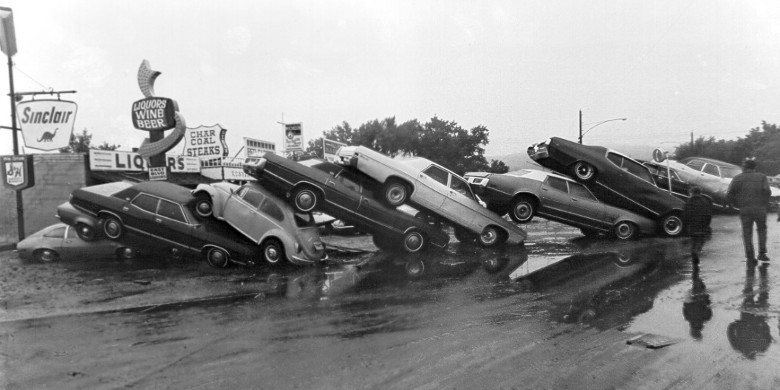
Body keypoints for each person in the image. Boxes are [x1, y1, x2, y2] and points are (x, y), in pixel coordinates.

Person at [726, 159, 771, 262]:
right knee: (762, 230)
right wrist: (764, 203)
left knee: (747, 232)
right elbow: (767, 191)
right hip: (760, 208)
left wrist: (736, 205)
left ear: (744, 167)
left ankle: (750, 257)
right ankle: (762, 254)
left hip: (744, 209)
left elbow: (729, 194)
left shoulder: (737, 178)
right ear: (754, 167)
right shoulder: (762, 177)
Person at [683, 186, 712, 263]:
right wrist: (707, 225)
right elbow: (708, 215)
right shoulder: (705, 202)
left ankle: (694, 256)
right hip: (702, 226)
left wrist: (687, 225)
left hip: (692, 227)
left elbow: (685, 215)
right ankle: (697, 252)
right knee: (700, 241)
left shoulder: (689, 202)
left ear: (692, 193)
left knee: (693, 241)